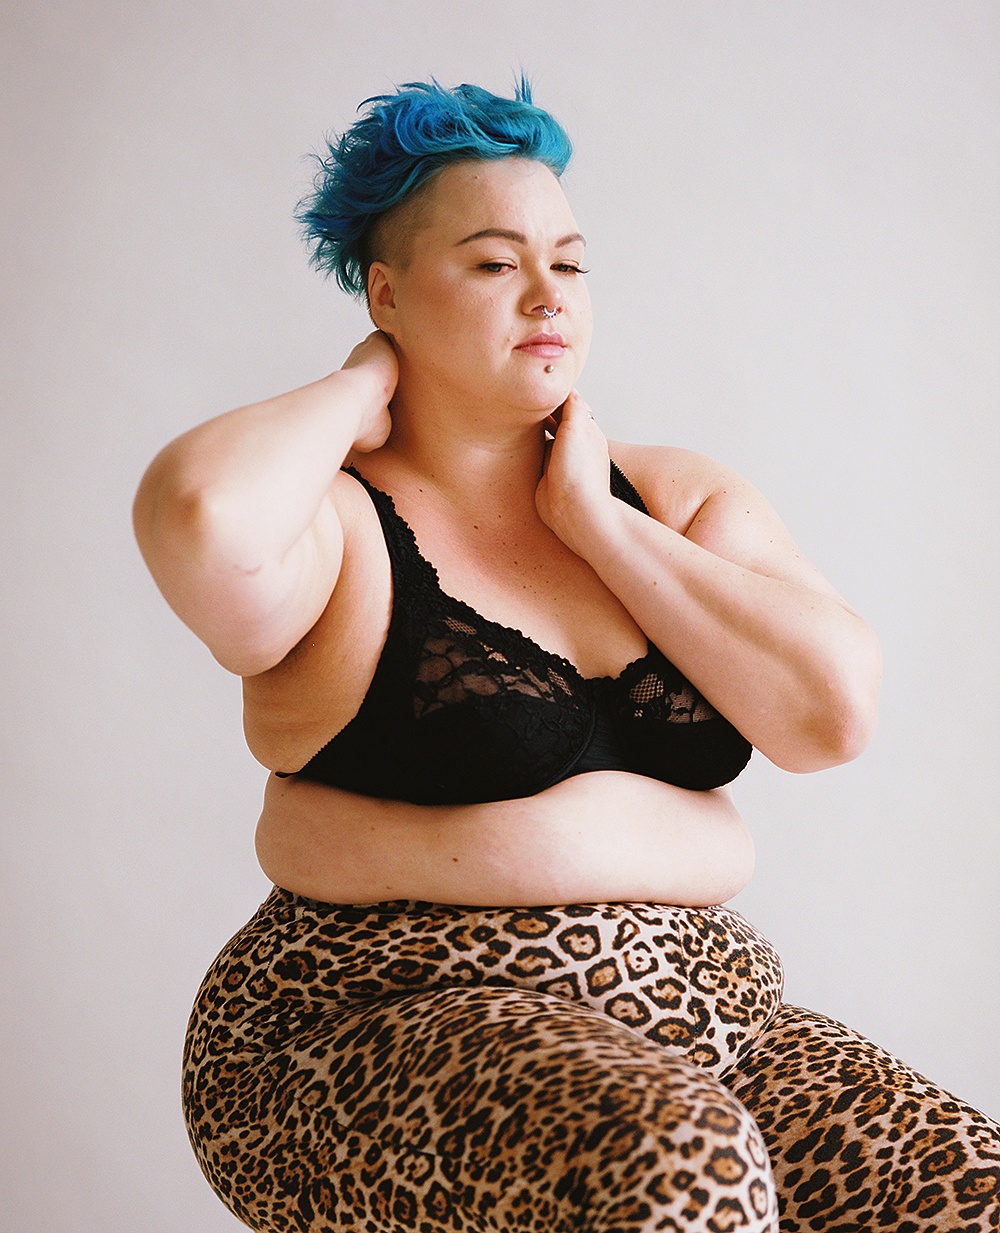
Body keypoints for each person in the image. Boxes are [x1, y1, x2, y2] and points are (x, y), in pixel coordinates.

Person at [134, 80, 1000, 1233]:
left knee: (963, 1187)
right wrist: (361, 384)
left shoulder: (672, 498)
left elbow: (828, 715)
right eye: (495, 263)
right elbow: (200, 517)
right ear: (387, 293)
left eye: (571, 263)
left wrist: (597, 524)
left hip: (702, 1025)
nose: (548, 295)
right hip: (369, 1028)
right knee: (681, 1166)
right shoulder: (336, 526)